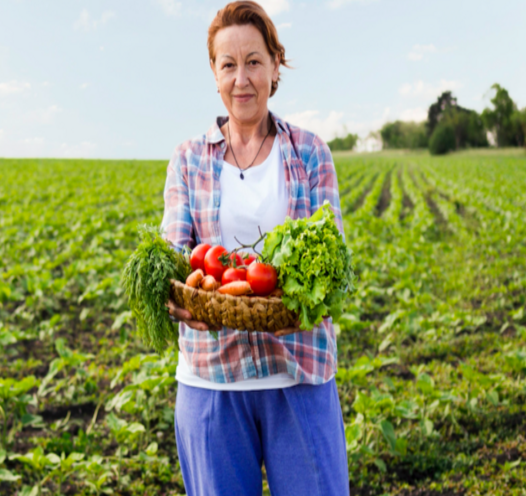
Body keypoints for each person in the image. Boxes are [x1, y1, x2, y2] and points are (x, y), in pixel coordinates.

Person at [161, 2, 349, 495]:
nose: (241, 79)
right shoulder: (187, 158)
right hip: (211, 380)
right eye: (228, 64)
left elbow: (334, 261)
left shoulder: (310, 151)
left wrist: (302, 299)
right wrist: (180, 300)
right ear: (214, 73)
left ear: (274, 66)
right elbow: (174, 255)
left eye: (253, 61)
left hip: (299, 373)